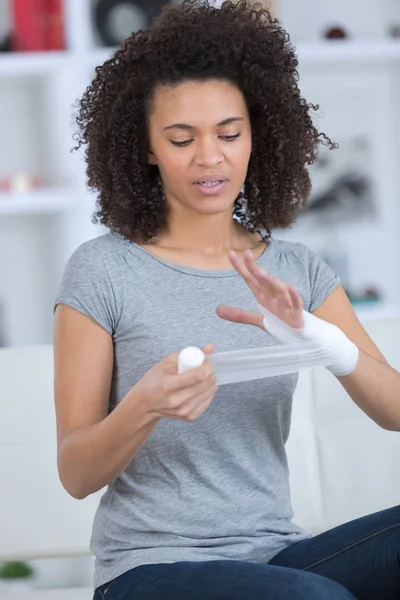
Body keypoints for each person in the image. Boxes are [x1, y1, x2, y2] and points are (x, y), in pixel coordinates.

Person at [53, 1, 400, 598]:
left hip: (277, 558)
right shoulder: (103, 270)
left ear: (256, 137)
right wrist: (144, 407)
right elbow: (75, 473)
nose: (209, 156)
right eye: (182, 139)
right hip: (147, 570)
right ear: (146, 149)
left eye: (229, 133)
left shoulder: (297, 271)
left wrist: (330, 346)